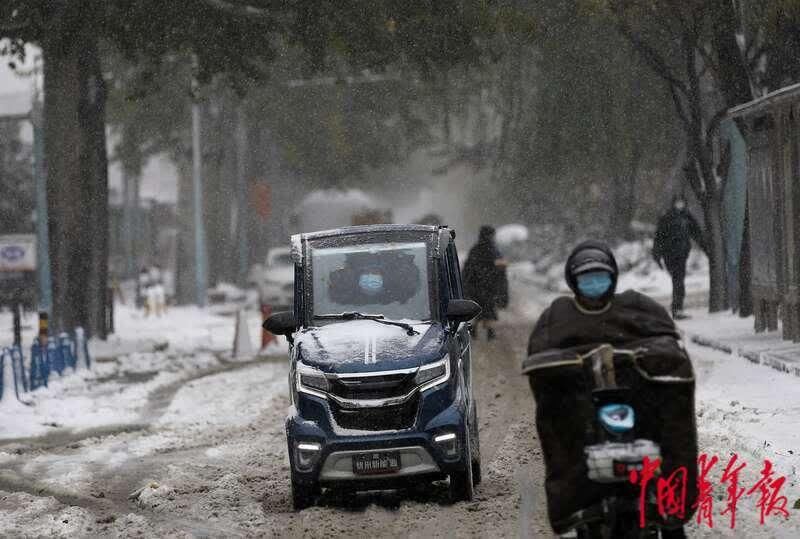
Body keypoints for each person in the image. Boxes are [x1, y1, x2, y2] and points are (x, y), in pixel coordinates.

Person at [527, 241, 689, 538]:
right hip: (584, 413)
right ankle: (577, 509)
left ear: (613, 276)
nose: (594, 283)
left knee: (670, 440)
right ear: (573, 281)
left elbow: (668, 347)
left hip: (640, 408)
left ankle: (670, 513)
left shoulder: (640, 309)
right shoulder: (557, 318)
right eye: (586, 277)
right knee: (568, 449)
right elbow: (541, 367)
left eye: (600, 275)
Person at [652, 195, 707, 320]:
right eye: (678, 202)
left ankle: (677, 308)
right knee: (678, 281)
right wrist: (657, 255)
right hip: (670, 254)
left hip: (682, 254)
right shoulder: (667, 218)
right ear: (673, 203)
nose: (680, 204)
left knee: (678, 281)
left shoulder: (687, 217)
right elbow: (659, 237)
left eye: (681, 202)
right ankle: (677, 308)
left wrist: (706, 249)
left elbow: (697, 233)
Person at [463, 225, 508, 341]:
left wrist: (466, 284)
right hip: (490, 286)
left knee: (478, 307)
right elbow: (500, 269)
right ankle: (489, 331)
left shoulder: (475, 249)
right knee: (488, 308)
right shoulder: (494, 250)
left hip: (476, 285)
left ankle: (476, 328)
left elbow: (468, 268)